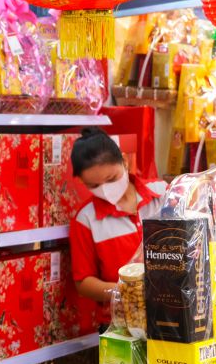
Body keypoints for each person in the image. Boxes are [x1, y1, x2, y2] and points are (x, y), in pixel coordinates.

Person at [70, 127, 168, 307]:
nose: (105, 189)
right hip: (122, 320)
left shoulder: (162, 193)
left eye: (111, 179)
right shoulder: (86, 219)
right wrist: (124, 292)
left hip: (170, 309)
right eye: (94, 185)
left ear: (124, 161)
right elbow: (83, 282)